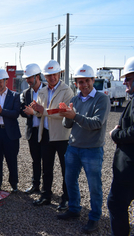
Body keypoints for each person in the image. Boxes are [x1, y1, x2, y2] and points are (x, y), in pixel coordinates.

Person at [57, 64, 110, 234]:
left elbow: (96, 123)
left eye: (87, 80)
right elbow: (68, 124)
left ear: (93, 80)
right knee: (69, 180)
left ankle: (94, 218)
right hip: (73, 147)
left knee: (94, 186)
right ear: (76, 83)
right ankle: (74, 208)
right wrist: (66, 114)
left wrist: (75, 116)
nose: (83, 84)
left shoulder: (102, 99)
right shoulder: (75, 100)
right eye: (80, 82)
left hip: (92, 149)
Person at [30, 60, 73, 210]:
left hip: (62, 136)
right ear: (45, 77)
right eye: (49, 75)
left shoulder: (67, 91)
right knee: (46, 168)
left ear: (59, 73)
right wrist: (36, 110)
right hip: (46, 134)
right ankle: (46, 195)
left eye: (54, 74)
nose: (52, 77)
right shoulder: (42, 91)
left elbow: (63, 112)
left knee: (65, 169)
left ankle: (66, 199)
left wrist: (42, 110)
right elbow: (39, 113)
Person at [107, 56, 134, 236]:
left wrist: (115, 134)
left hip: (130, 167)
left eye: (129, 78)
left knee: (115, 203)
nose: (124, 81)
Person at [0, 68, 21, 193]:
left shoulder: (15, 96)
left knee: (12, 159)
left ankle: (14, 184)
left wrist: (1, 112)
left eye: (0, 82)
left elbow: (16, 113)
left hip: (10, 133)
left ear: (6, 81)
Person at [20, 63, 45, 194]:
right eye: (26, 78)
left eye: (30, 77)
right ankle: (35, 185)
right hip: (32, 131)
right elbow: (21, 110)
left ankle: (47, 188)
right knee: (35, 160)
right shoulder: (26, 93)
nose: (28, 80)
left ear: (37, 76)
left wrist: (36, 111)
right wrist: (28, 111)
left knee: (46, 160)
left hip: (45, 131)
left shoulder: (47, 90)